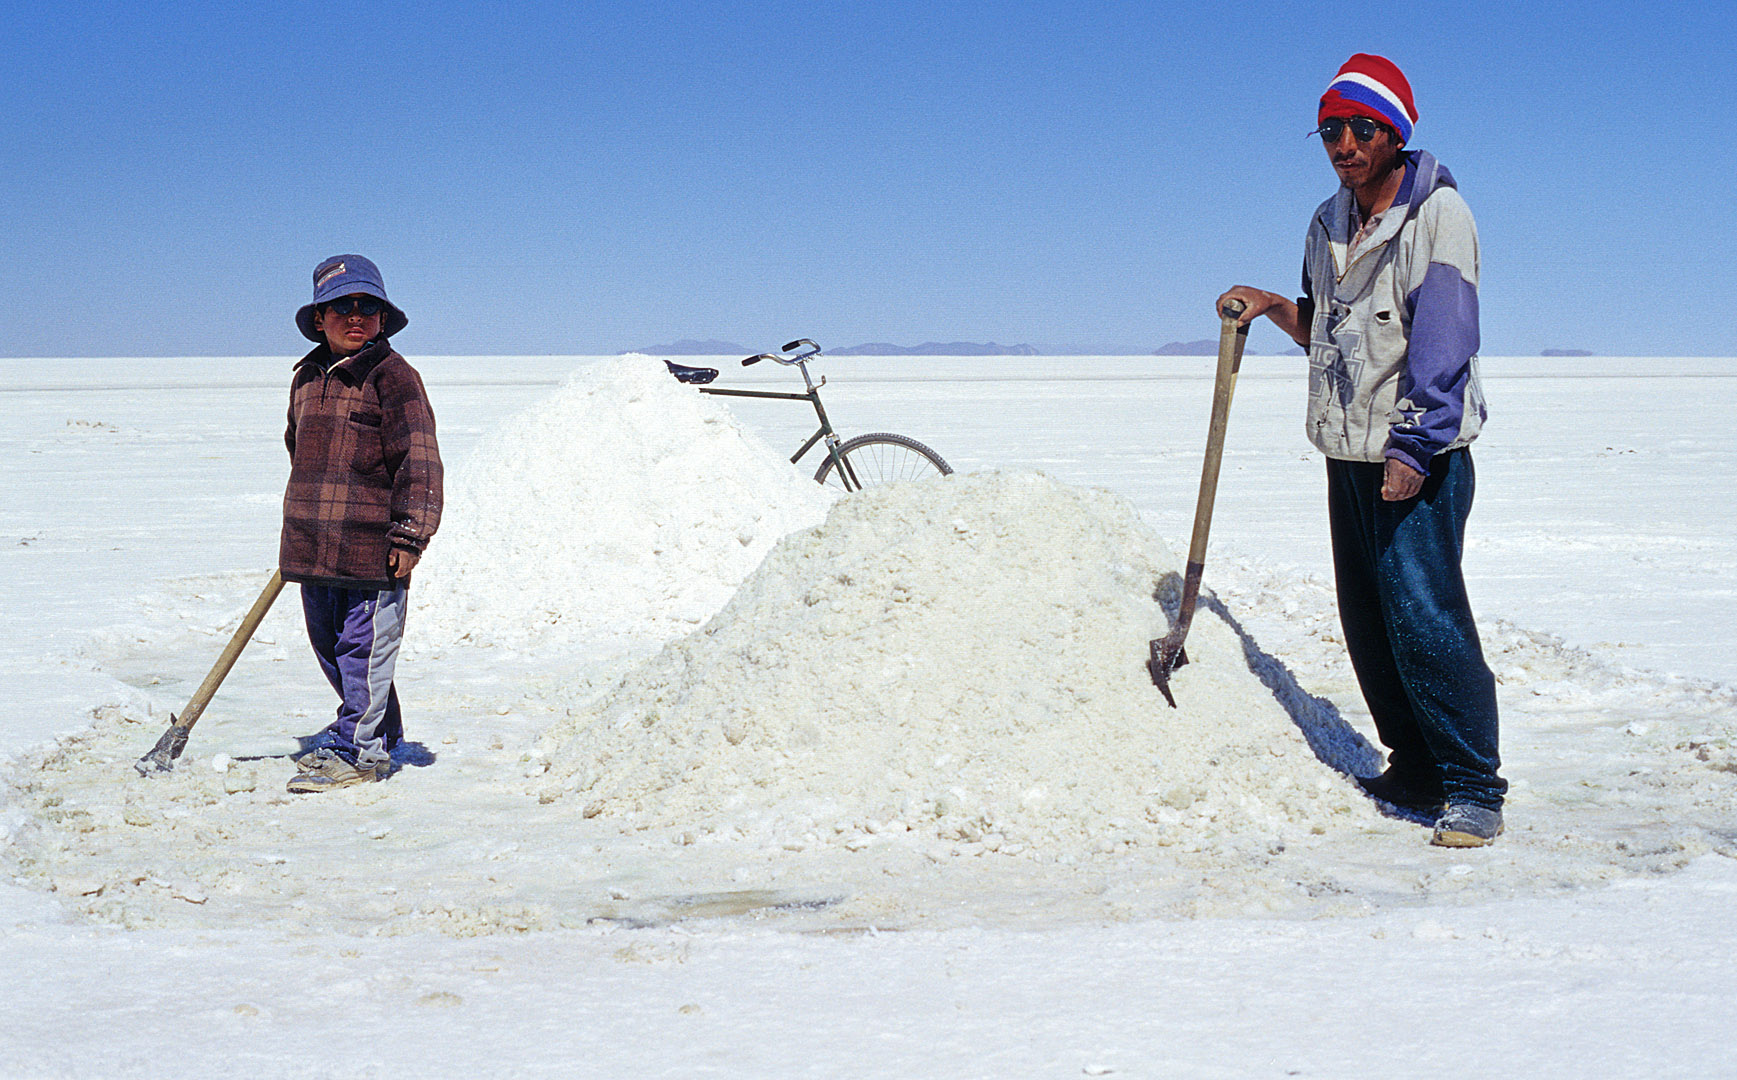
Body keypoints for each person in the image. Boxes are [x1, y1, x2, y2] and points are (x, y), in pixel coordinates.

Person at [1217, 54, 1506, 847]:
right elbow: (1332, 336)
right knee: (1369, 617)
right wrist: (1277, 306)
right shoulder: (1325, 222)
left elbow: (1443, 343)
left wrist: (1413, 447)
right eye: (1330, 129)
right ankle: (1412, 766)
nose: (1343, 143)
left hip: (1417, 452)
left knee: (1424, 614)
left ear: (1393, 132)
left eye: (1360, 128)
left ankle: (1474, 788)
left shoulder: (1436, 216)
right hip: (1348, 450)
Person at [280, 255, 443, 793]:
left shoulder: (394, 377)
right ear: (319, 318)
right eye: (342, 307)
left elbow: (418, 460)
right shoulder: (305, 377)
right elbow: (297, 449)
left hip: (372, 548)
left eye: (367, 307)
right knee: (330, 647)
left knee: (364, 650)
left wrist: (410, 533)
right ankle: (377, 728)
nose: (356, 317)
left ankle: (361, 753)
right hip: (313, 544)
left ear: (382, 316)